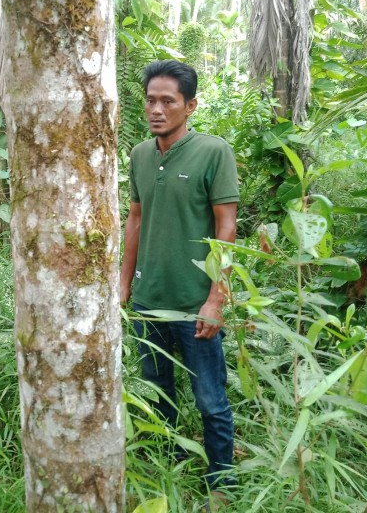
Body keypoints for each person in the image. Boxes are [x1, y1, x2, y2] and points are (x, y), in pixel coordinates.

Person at [119, 60, 239, 505]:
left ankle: (221, 484)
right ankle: (169, 472)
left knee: (210, 401)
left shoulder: (213, 152)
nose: (156, 109)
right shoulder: (139, 154)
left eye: (168, 101)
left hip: (194, 304)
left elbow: (227, 227)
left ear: (190, 105)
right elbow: (135, 218)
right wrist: (123, 283)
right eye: (150, 100)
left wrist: (215, 299)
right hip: (149, 302)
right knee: (157, 395)